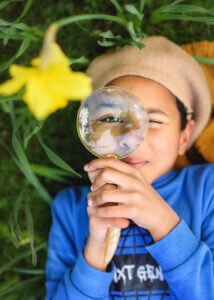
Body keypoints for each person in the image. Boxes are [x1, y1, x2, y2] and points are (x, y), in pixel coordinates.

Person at [45, 36, 214, 299]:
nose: (131, 138)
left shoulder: (207, 189)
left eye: (153, 121)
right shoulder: (70, 208)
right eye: (112, 119)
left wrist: (162, 221)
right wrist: (96, 248)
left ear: (184, 136)